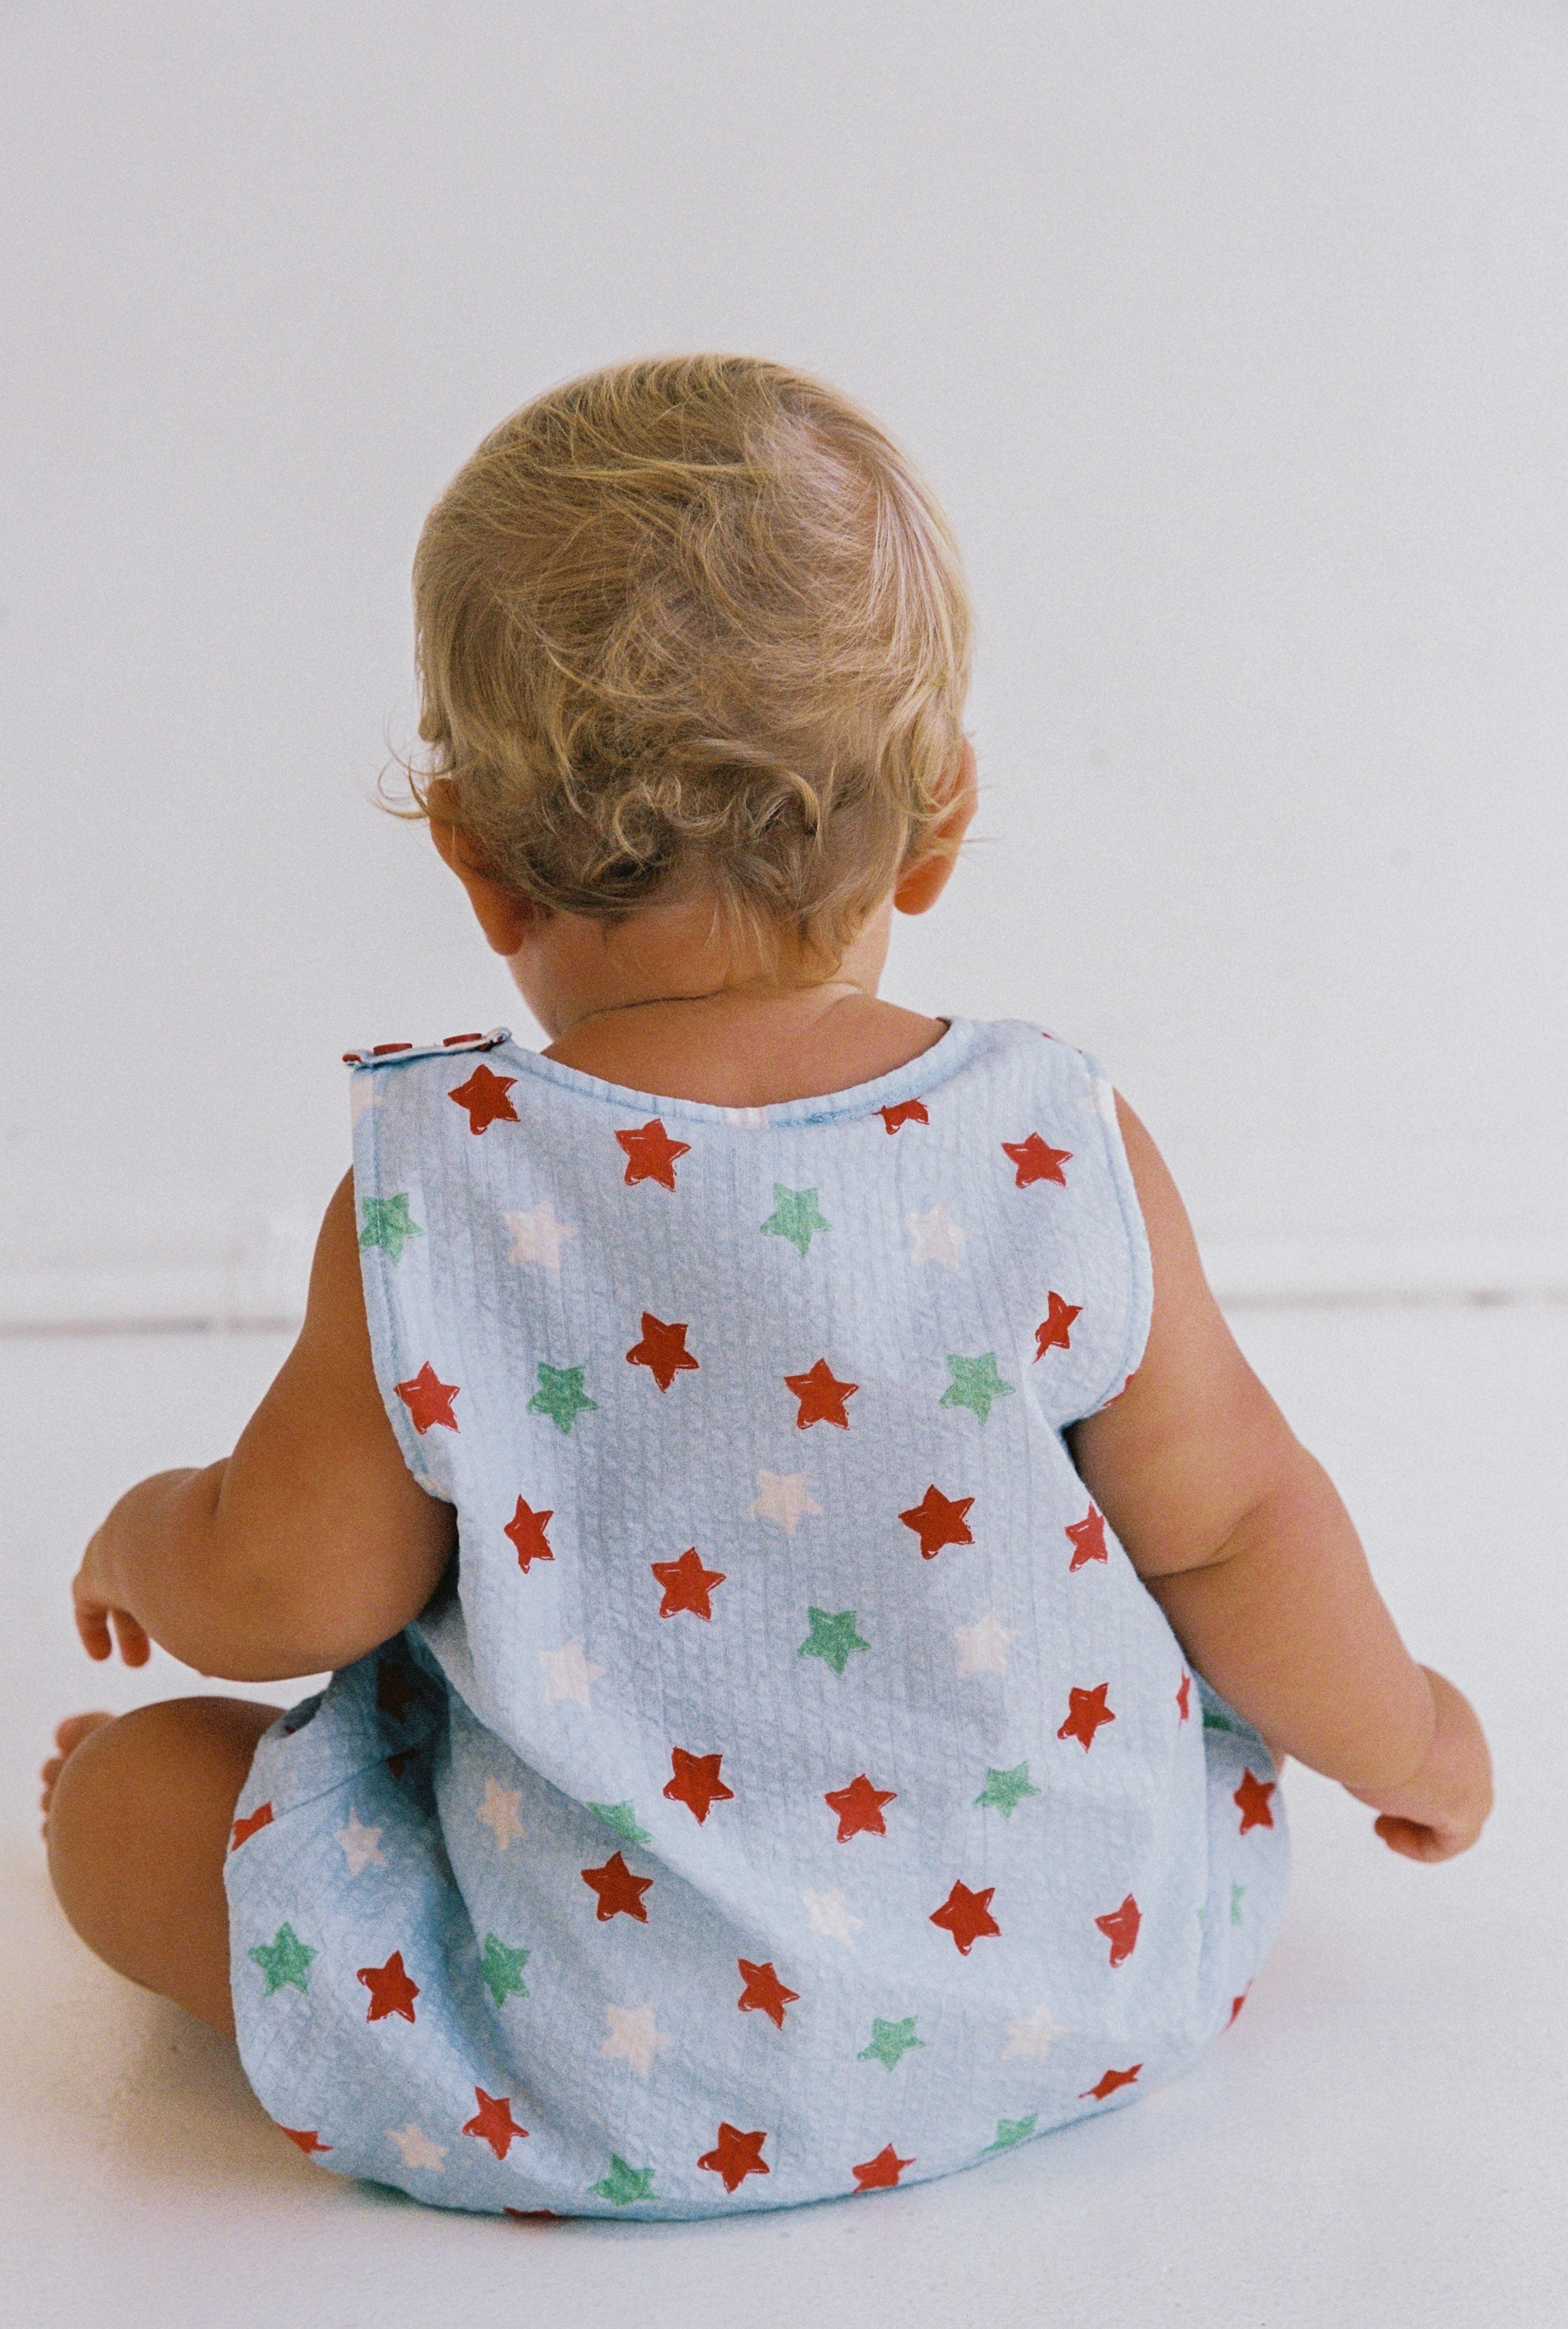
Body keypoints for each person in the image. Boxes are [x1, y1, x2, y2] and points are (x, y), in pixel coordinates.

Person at [39, 357, 1491, 2218]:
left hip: (601, 2055)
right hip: (1078, 1981)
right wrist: (1416, 1738)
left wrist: (141, 1536)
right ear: (943, 822)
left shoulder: (450, 1188)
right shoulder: (1052, 1143)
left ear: (477, 865)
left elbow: (285, 1582)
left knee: (135, 1804)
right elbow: (1241, 1530)